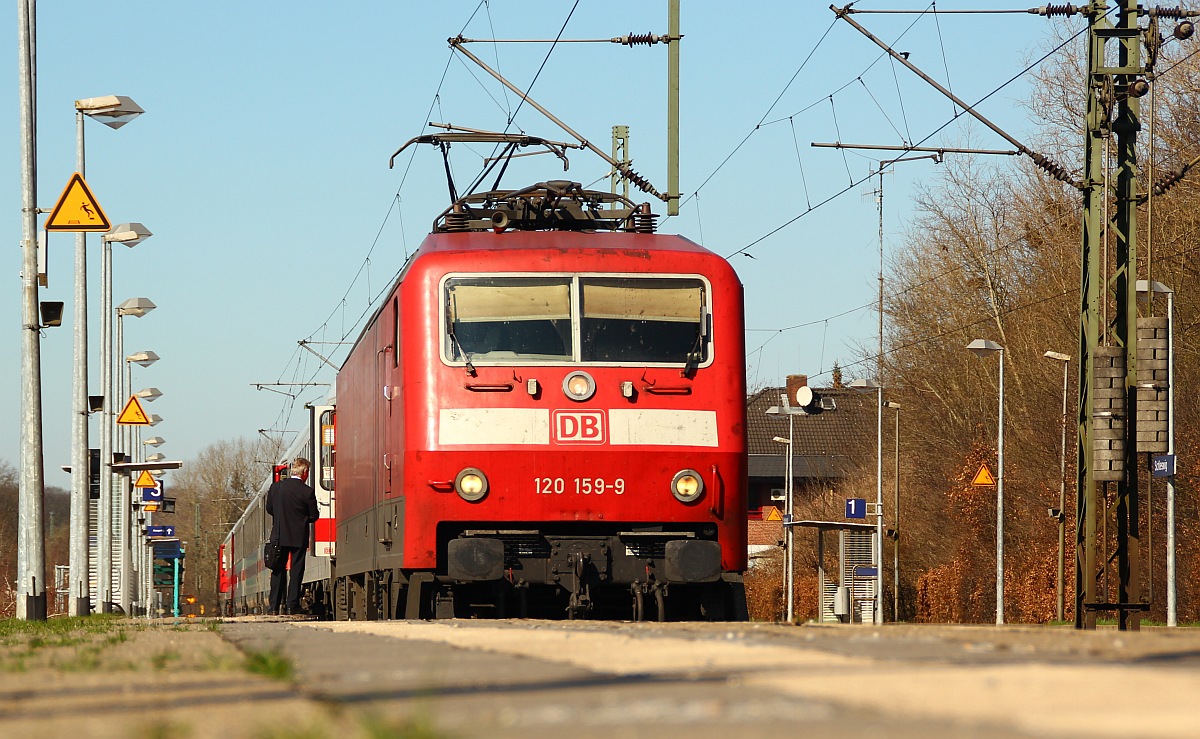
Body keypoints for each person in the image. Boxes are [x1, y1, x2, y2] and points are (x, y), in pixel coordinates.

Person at [266, 457, 319, 616]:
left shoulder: (276, 488)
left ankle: (273, 607)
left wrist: (281, 517)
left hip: (279, 535)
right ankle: (292, 605)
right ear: (305, 472)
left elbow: (270, 509)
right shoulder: (307, 491)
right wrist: (301, 519)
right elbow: (314, 515)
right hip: (298, 536)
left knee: (277, 570)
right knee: (296, 571)